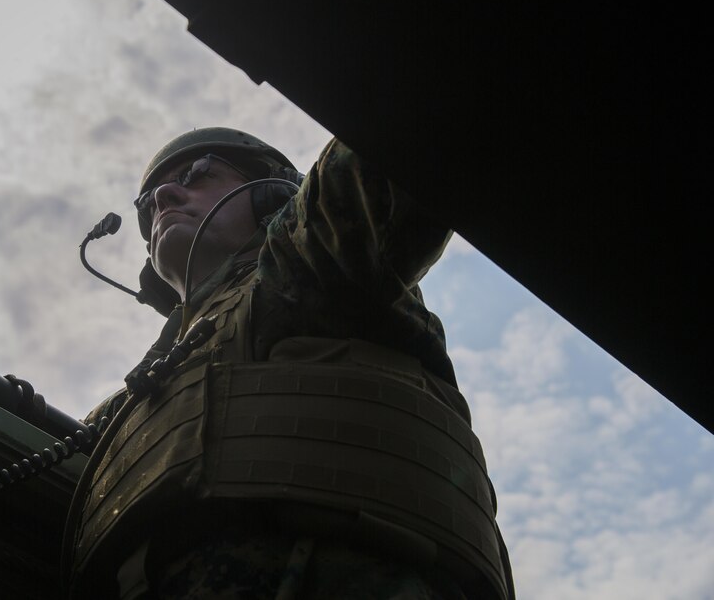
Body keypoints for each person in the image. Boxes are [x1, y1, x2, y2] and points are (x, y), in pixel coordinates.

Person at [67, 128, 514, 599]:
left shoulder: (310, 261)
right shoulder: (132, 405)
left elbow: (397, 135)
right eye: (146, 206)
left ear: (269, 195)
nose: (163, 197)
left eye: (197, 174)